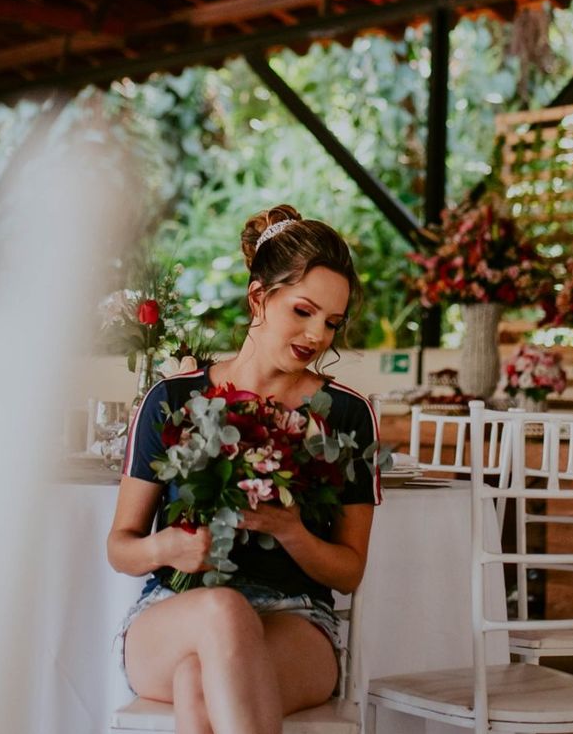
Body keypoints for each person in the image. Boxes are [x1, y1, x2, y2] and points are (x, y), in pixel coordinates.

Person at [107, 205, 381, 734]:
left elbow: (349, 571)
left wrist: (291, 531)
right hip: (173, 613)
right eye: (303, 311)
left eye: (332, 323)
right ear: (259, 297)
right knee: (224, 613)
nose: (317, 336)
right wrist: (170, 548)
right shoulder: (172, 399)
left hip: (295, 618)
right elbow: (120, 546)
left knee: (198, 686)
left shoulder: (346, 414)